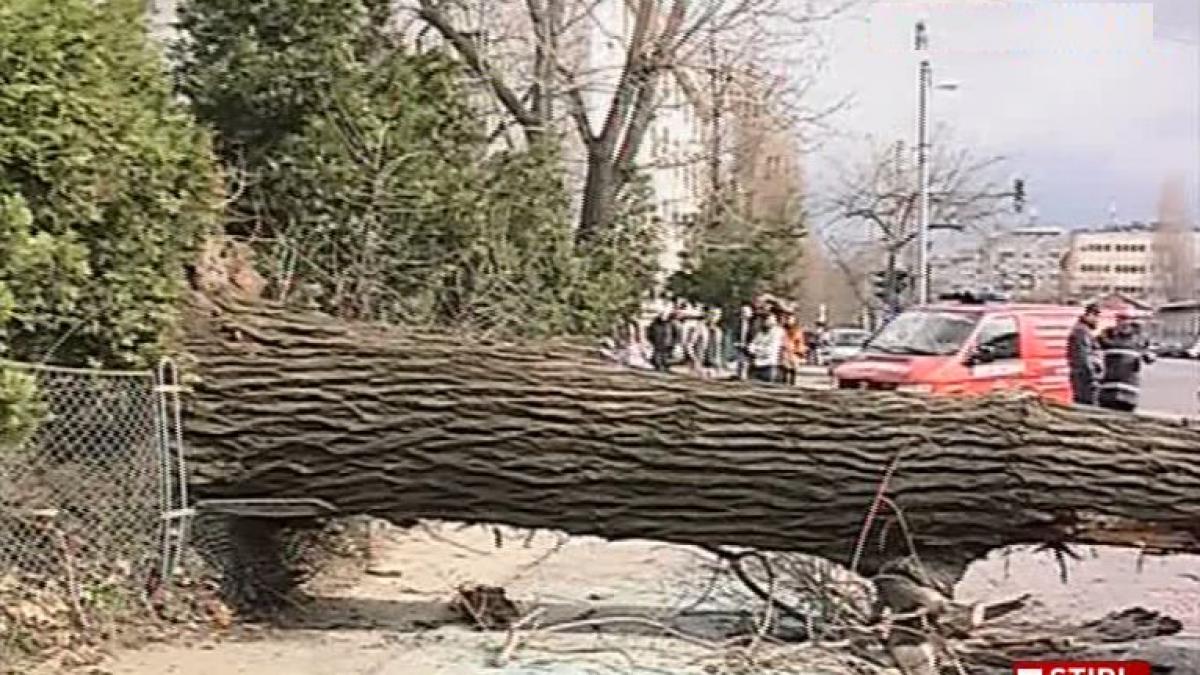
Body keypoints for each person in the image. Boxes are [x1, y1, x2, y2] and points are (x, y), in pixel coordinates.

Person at [1096, 312, 1155, 412]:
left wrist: (1147, 355)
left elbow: (1150, 357)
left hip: (1129, 390)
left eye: (1126, 319)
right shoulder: (1107, 335)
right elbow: (1094, 349)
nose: (1123, 323)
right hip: (1109, 388)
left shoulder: (1140, 338)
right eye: (1120, 320)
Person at [1067, 303, 1102, 405]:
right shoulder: (1081, 331)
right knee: (1087, 405)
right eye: (1096, 316)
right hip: (1084, 377)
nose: (1097, 320)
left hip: (1082, 375)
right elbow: (1084, 357)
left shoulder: (1083, 330)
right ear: (1089, 315)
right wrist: (1092, 377)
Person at [746, 311, 785, 383]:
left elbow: (770, 350)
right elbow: (752, 346)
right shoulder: (760, 332)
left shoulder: (778, 332)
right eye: (765, 319)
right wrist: (755, 349)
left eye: (769, 319)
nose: (766, 321)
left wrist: (756, 350)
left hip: (769, 366)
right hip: (755, 365)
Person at [780, 308, 807, 385]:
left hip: (794, 352)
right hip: (785, 351)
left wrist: (800, 352)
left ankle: (792, 383)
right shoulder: (783, 329)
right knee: (785, 368)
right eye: (788, 319)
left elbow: (800, 341)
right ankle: (784, 382)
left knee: (793, 368)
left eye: (791, 319)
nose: (789, 321)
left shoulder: (798, 330)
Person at [647, 308, 679, 373]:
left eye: (664, 315)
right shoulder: (654, 323)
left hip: (668, 343)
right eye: (662, 315)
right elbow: (649, 333)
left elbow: (675, 334)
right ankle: (658, 367)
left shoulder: (671, 324)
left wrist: (673, 342)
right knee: (657, 355)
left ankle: (665, 367)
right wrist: (652, 341)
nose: (663, 316)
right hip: (658, 343)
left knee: (666, 356)